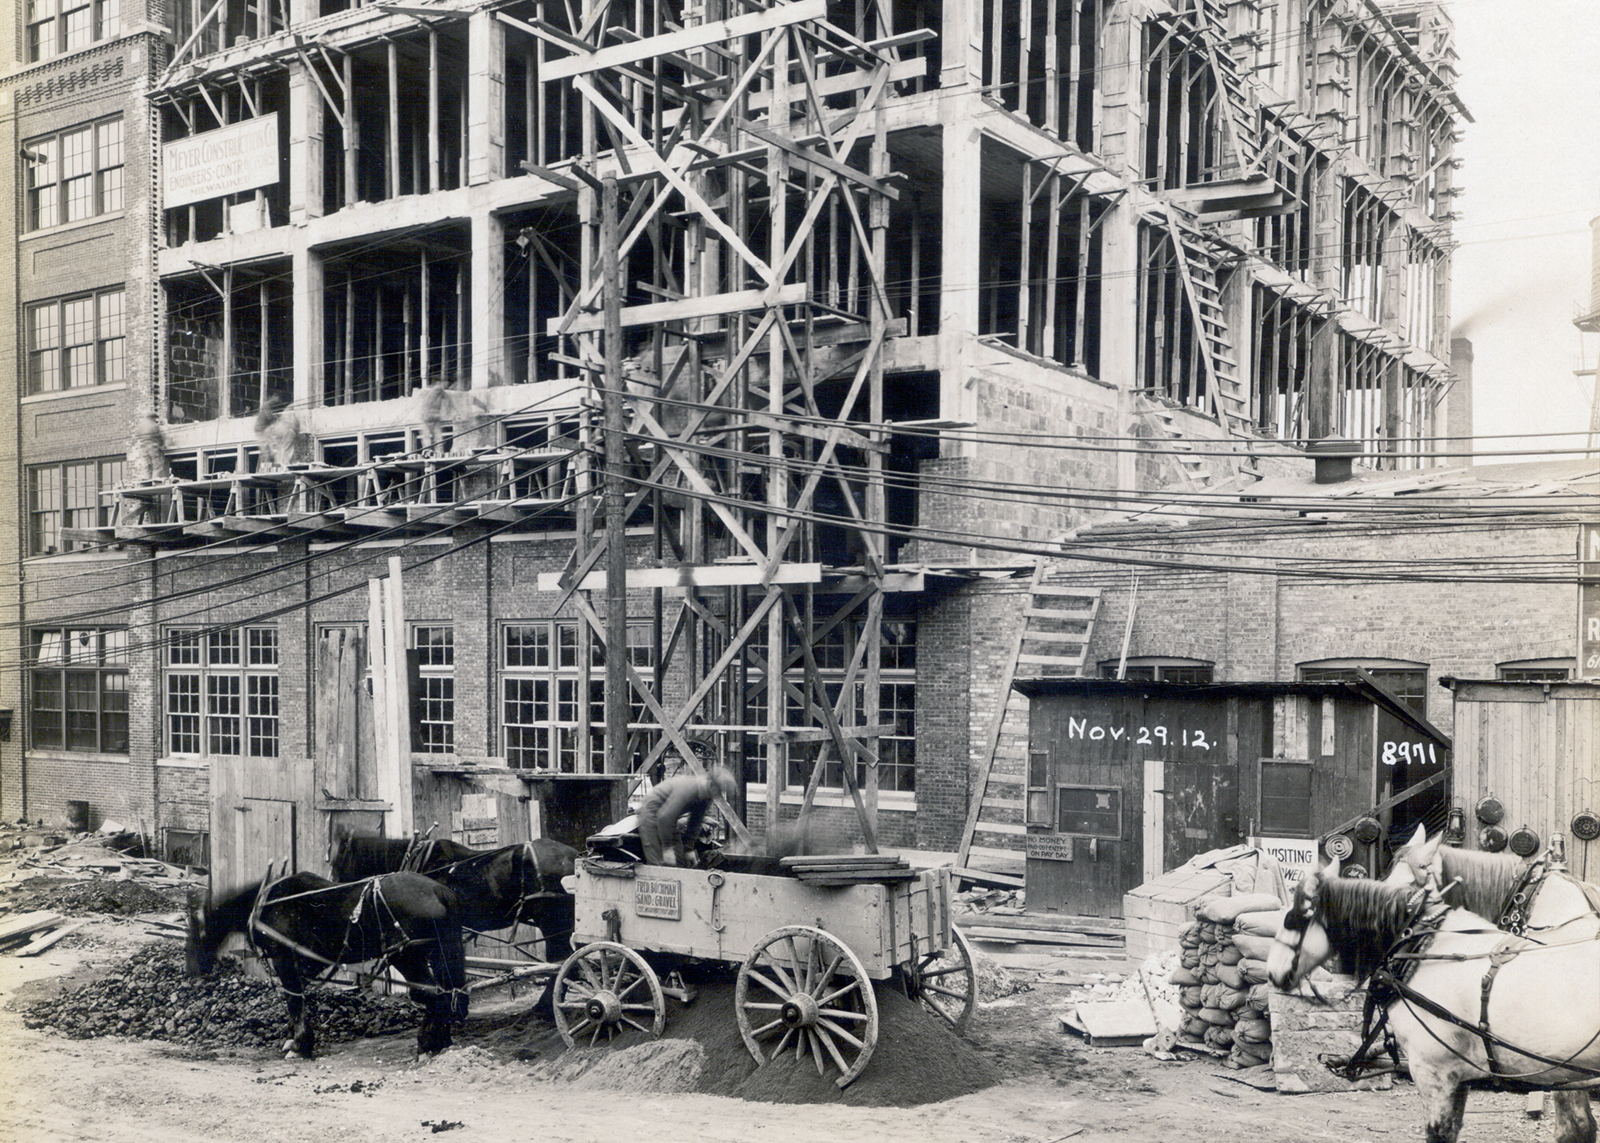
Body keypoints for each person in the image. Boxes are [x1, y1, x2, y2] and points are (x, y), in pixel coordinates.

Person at [636, 764, 738, 866]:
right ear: (711, 784)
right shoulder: (690, 789)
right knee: (659, 862)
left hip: (668, 819)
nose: (718, 795)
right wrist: (667, 848)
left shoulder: (706, 796)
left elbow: (695, 822)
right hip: (651, 815)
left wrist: (688, 849)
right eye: (719, 791)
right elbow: (665, 818)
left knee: (679, 860)